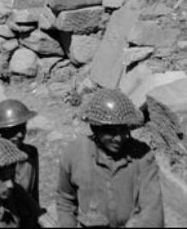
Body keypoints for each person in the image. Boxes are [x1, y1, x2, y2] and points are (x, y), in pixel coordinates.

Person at [55, 88, 164, 228]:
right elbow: (65, 200)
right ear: (95, 129)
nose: (118, 138)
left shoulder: (142, 157)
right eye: (111, 132)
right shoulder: (74, 153)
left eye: (123, 130)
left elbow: (152, 211)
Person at [0, 99, 40, 204]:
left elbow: (33, 194)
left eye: (23, 128)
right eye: (14, 130)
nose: (20, 135)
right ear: (0, 131)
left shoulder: (31, 154)